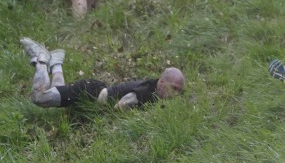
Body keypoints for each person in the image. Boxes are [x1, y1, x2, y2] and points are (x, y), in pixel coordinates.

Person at [21, 38, 184, 110]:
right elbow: (121, 106)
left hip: (94, 91)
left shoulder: (153, 90)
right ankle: (41, 59)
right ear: (162, 82)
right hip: (90, 92)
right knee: (40, 98)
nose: (175, 95)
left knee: (58, 91)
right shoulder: (147, 91)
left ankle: (56, 62)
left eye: (179, 91)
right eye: (174, 88)